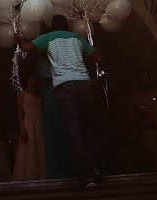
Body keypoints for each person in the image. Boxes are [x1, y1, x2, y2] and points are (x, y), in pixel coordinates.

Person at [16, 15, 102, 191]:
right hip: (84, 83)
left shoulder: (49, 37)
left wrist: (19, 39)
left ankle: (86, 177)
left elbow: (26, 47)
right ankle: (95, 169)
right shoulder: (77, 37)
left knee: (74, 129)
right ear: (67, 26)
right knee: (89, 128)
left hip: (65, 87)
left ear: (53, 27)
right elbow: (98, 57)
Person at [12, 74, 46, 181]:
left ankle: (40, 174)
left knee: (39, 147)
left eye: (34, 79)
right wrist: (21, 126)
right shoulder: (22, 93)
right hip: (29, 122)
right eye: (31, 79)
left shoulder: (38, 94)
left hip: (39, 121)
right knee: (29, 147)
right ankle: (28, 175)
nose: (33, 81)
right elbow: (19, 111)